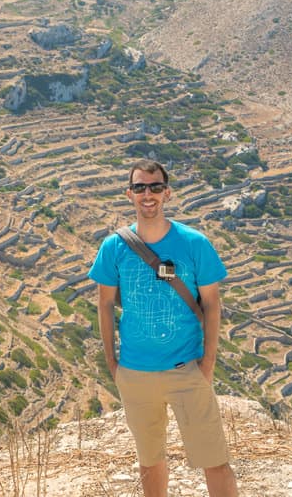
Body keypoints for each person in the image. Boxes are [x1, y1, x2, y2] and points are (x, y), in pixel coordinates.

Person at [89, 159, 238, 497]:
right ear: (129, 194)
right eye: (140, 187)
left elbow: (213, 304)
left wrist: (208, 363)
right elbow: (105, 304)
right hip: (136, 372)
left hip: (186, 368)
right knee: (149, 461)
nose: (148, 194)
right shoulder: (113, 247)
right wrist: (112, 364)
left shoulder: (194, 243)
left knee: (214, 459)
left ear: (167, 193)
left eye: (155, 187)